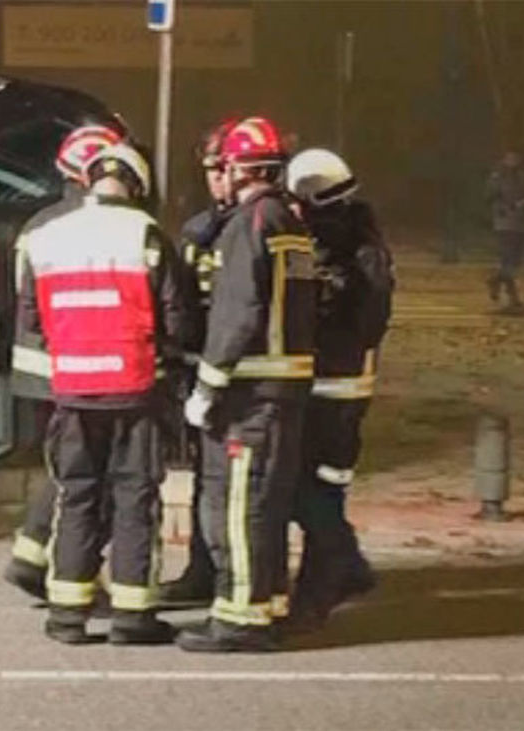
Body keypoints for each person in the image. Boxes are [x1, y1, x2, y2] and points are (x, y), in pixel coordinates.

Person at [16, 142, 186, 645]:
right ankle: (133, 615)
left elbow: (30, 318)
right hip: (134, 391)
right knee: (135, 498)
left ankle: (67, 616)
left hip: (71, 393)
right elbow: (177, 320)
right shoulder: (146, 234)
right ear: (135, 186)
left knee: (77, 496)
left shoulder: (48, 237)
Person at [179, 117, 318, 653]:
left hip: (249, 394)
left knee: (239, 507)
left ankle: (240, 620)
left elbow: (238, 314)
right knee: (267, 504)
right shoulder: (289, 221)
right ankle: (266, 603)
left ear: (238, 168)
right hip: (285, 390)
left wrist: (208, 387)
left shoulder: (247, 225)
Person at [4, 123, 125, 600]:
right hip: (74, 363)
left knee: (68, 467)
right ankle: (48, 562)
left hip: (38, 367)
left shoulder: (40, 222)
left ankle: (35, 556)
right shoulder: (97, 223)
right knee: (89, 471)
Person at [283, 148, 394, 632]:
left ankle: (322, 585)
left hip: (333, 388)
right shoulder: (356, 243)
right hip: (335, 385)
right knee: (321, 488)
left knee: (312, 489)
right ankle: (348, 567)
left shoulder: (352, 254)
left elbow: (366, 323)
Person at [155, 120, 238, 607]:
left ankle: (241, 579)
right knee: (208, 481)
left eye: (222, 167)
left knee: (243, 491)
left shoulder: (262, 224)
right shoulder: (198, 231)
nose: (216, 178)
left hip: (248, 379)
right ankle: (203, 570)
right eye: (209, 168)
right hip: (202, 372)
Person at [485, 151, 524, 312]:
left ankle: (495, 280)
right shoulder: (497, 177)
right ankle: (514, 298)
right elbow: (490, 197)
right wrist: (506, 206)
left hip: (520, 223)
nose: (513, 161)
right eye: (510, 158)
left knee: (514, 263)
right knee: (508, 261)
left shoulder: (522, 177)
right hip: (504, 224)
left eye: (516, 158)